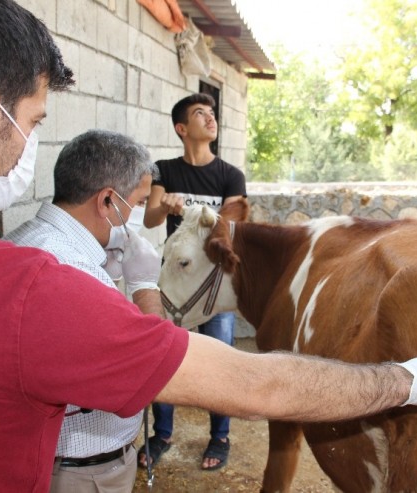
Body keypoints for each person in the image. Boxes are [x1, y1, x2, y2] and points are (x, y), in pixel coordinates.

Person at [0, 1, 417, 491]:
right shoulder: (28, 290)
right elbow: (260, 386)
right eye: (35, 120)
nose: (29, 144)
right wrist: (412, 380)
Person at [4, 130, 161, 493]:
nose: (139, 214)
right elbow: (149, 372)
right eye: (137, 203)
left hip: (44, 458)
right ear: (107, 200)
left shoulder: (23, 238)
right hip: (83, 472)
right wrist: (144, 288)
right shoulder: (76, 272)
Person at [141, 93, 246, 471]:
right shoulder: (164, 170)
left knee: (221, 360)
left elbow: (234, 225)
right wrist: (164, 206)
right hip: (176, 280)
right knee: (162, 354)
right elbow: (151, 220)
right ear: (182, 129)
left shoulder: (230, 175)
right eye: (200, 114)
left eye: (212, 113)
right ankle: (162, 434)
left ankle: (219, 437)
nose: (210, 118)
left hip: (213, 286)